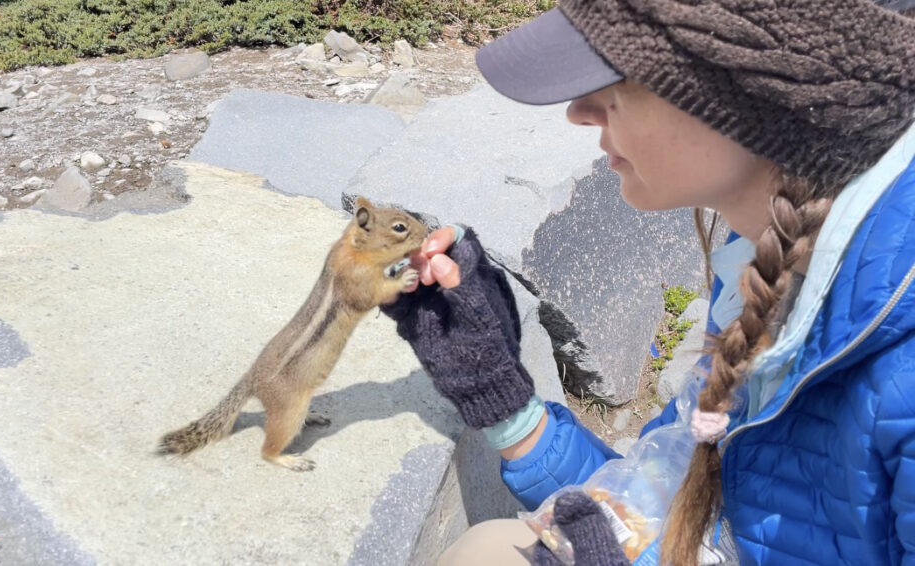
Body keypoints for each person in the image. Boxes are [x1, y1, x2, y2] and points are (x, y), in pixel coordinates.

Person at [379, 1, 915, 565]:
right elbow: (664, 495)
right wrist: (503, 400)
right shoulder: (767, 262)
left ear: (757, 91)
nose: (580, 111)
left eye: (615, 75)